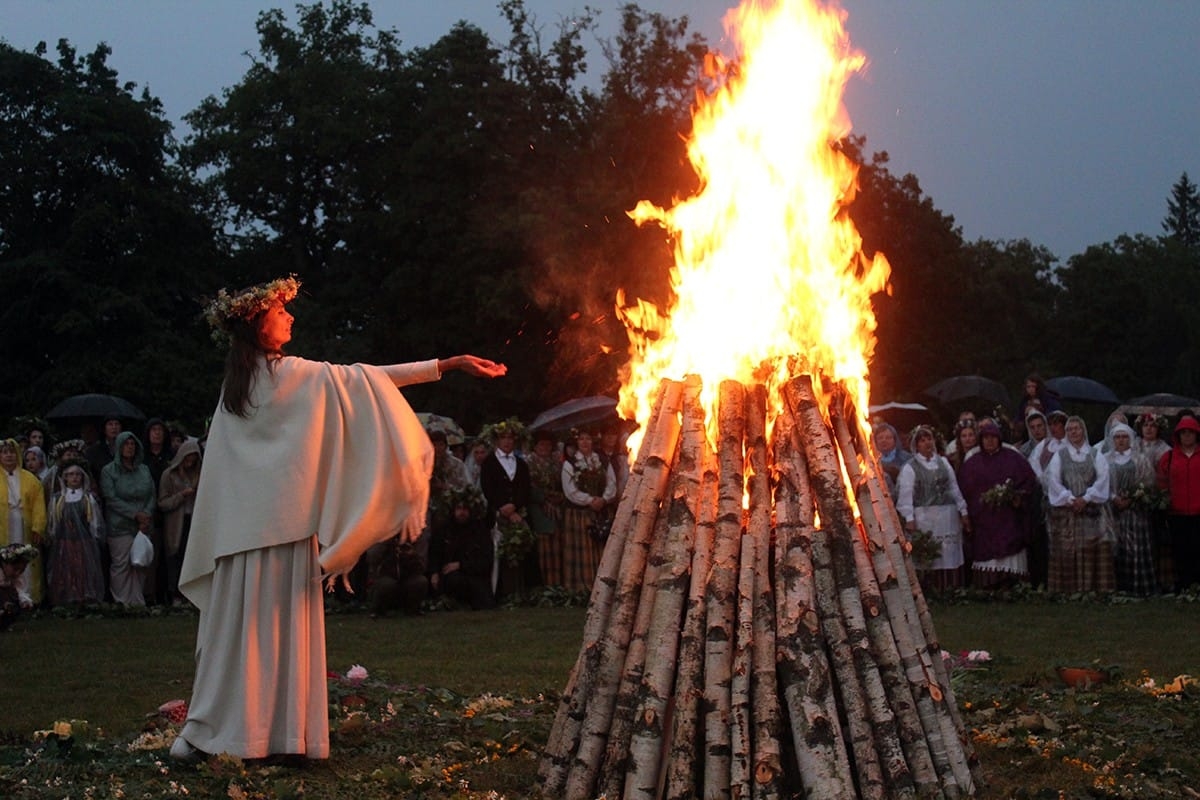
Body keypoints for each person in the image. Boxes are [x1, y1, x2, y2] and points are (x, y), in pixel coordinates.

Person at [171, 275, 504, 763]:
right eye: (280, 311)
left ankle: (245, 733)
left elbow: (360, 378)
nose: (290, 317)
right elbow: (371, 377)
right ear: (258, 325)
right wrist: (445, 365)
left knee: (240, 635)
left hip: (244, 537)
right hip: (280, 535)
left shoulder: (236, 388)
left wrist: (444, 365)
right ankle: (275, 736)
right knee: (272, 633)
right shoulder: (284, 377)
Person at [957, 419, 1040, 589]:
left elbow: (1029, 481)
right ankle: (988, 584)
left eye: (993, 437)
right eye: (986, 438)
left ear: (999, 438)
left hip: (1009, 516)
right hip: (984, 518)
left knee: (1012, 541)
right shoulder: (973, 463)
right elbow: (964, 489)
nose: (989, 441)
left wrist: (1017, 496)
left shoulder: (1013, 458)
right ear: (981, 440)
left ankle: (1014, 584)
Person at [895, 425, 970, 592]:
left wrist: (963, 510)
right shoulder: (910, 467)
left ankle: (952, 587)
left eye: (929, 439)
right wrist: (909, 518)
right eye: (922, 440)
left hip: (947, 515)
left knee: (948, 551)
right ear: (916, 445)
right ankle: (931, 589)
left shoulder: (943, 462)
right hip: (925, 516)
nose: (927, 443)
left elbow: (953, 487)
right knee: (929, 550)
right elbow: (905, 496)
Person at [1044, 416, 1114, 594]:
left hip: (1092, 513)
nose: (1073, 432)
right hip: (1068, 512)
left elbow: (1103, 478)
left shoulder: (1095, 454)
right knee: (1068, 551)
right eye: (1069, 429)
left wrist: (1087, 498)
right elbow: (1053, 480)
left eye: (1076, 428)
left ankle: (1093, 588)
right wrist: (1069, 498)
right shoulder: (1059, 456)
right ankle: (1069, 589)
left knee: (1093, 549)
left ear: (1083, 431)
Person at [100, 431, 157, 606]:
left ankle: (137, 600)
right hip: (120, 525)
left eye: (133, 444)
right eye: (126, 444)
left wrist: (146, 515)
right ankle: (121, 601)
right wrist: (134, 514)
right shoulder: (108, 471)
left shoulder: (144, 469)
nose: (130, 447)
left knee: (141, 562)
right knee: (122, 564)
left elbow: (152, 494)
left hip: (143, 525)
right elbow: (111, 498)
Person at [560, 429, 616, 593]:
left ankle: (604, 585)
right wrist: (589, 500)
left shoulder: (603, 460)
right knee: (582, 548)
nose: (585, 442)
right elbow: (569, 490)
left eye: (588, 439)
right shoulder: (569, 463)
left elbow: (611, 482)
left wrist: (604, 499)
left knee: (602, 547)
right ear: (577, 443)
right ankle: (582, 585)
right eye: (581, 439)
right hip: (580, 513)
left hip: (601, 510)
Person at [1105, 423, 1157, 595]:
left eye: (1124, 437)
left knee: (1135, 549)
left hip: (1135, 511)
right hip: (1112, 512)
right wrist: (1114, 498)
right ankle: (1117, 587)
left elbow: (1148, 482)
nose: (1121, 440)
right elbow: (1101, 482)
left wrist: (1132, 498)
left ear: (1130, 439)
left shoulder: (1140, 459)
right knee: (1115, 547)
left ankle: (1137, 587)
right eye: (1117, 437)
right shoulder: (1106, 459)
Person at [45, 460, 106, 606]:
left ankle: (84, 596)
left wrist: (95, 538)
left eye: (78, 474)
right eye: (71, 475)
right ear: (64, 477)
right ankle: (64, 598)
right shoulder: (58, 498)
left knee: (82, 569)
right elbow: (53, 521)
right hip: (63, 543)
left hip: (83, 543)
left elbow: (95, 523)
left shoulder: (88, 498)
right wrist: (52, 537)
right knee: (64, 569)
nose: (74, 478)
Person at [427, 486, 495, 610]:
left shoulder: (479, 531)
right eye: (458, 508)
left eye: (465, 509)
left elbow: (485, 561)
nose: (461, 513)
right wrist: (434, 573)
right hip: (447, 576)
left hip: (473, 576)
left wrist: (461, 565)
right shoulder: (444, 530)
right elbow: (434, 553)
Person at [0, 439, 47, 606]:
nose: (9, 456)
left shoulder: (30, 480)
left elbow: (38, 506)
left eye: (12, 452)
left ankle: (27, 597)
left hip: (24, 527)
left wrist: (38, 527)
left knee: (25, 559)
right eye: (5, 452)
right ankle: (5, 598)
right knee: (4, 561)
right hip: (3, 527)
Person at [1157, 414, 1200, 592]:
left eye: (1191, 432)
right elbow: (1161, 482)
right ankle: (1183, 584)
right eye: (1184, 433)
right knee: (1180, 550)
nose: (1187, 436)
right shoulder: (1169, 457)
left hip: (1199, 512)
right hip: (1177, 513)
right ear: (1178, 435)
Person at [158, 438, 202, 605]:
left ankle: (191, 595)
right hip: (177, 523)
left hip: (195, 522)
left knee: (191, 559)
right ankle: (175, 594)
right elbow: (163, 502)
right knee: (175, 558)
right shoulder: (169, 475)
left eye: (194, 458)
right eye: (188, 458)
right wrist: (181, 495)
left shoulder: (200, 474)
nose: (190, 462)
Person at [526, 429, 566, 588]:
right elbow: (528, 487)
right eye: (541, 444)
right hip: (538, 508)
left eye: (548, 444)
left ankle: (557, 583)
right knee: (543, 545)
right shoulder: (528, 462)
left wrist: (558, 498)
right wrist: (543, 499)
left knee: (557, 545)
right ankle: (544, 584)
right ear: (535, 446)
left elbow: (562, 483)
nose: (545, 447)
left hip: (556, 507)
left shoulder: (556, 462)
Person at [872, 421, 912, 493]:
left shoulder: (907, 458)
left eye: (888, 438)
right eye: (880, 438)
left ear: (895, 440)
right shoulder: (870, 460)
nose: (884, 440)